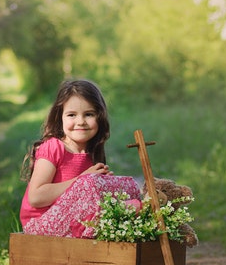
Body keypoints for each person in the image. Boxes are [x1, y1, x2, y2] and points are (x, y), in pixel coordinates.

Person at [20, 79, 141, 237]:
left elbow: (83, 199)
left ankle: (129, 211)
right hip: (40, 224)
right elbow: (36, 197)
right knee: (90, 182)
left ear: (100, 117)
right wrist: (83, 180)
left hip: (71, 220)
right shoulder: (54, 147)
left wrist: (103, 184)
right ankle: (121, 213)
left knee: (127, 185)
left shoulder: (91, 154)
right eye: (71, 115)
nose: (80, 122)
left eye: (89, 114)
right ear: (60, 117)